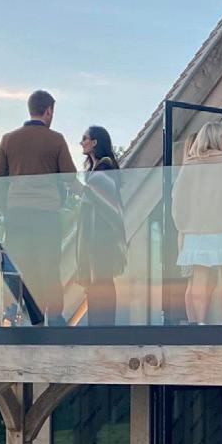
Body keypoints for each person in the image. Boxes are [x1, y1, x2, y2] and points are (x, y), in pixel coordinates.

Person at [0, 90, 77, 325]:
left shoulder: (8, 140)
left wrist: (5, 207)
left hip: (16, 213)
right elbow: (69, 177)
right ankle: (55, 316)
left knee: (22, 266)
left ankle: (30, 316)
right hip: (46, 213)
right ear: (48, 110)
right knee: (49, 266)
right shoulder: (56, 139)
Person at [171, 122, 222, 324]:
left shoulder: (190, 165)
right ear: (217, 138)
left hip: (195, 228)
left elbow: (178, 197)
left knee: (199, 276)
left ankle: (200, 323)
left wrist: (183, 224)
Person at [76, 126, 126, 326]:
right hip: (97, 237)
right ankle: (99, 328)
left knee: (101, 282)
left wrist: (80, 189)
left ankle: (102, 329)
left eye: (85, 138)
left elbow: (104, 200)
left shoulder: (105, 168)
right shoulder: (97, 169)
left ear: (95, 142)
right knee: (98, 283)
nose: (82, 142)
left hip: (103, 237)